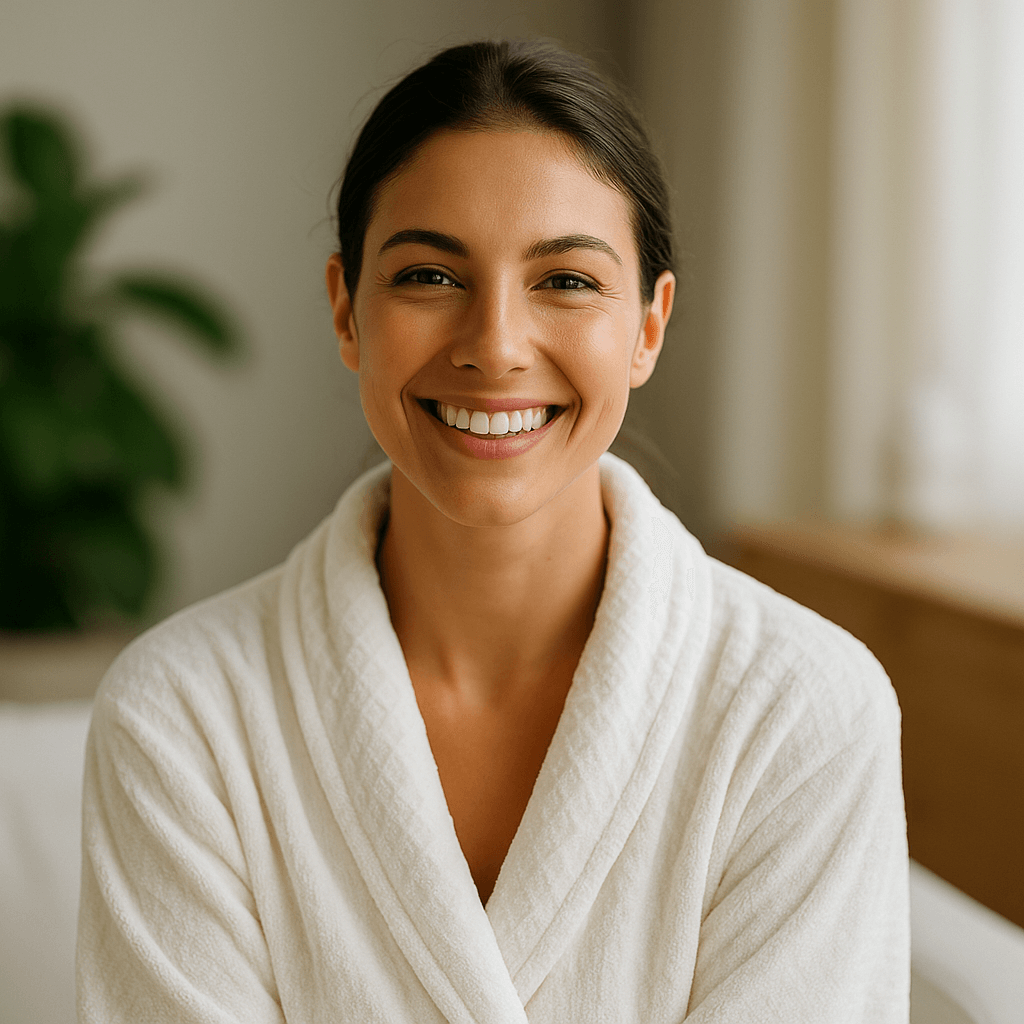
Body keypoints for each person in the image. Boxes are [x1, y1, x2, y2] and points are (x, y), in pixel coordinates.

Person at [77, 40, 910, 1023]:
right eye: (429, 276)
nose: (496, 347)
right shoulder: (181, 718)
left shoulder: (800, 711)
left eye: (565, 282)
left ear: (647, 325)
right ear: (347, 310)